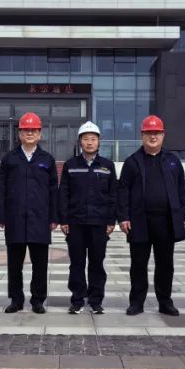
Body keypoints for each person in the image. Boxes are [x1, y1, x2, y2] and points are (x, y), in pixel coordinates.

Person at [117, 115, 185, 316]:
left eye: (157, 133)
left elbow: (181, 189)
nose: (153, 137)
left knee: (165, 264)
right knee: (138, 264)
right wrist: (123, 217)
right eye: (149, 133)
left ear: (163, 135)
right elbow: (123, 191)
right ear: (142, 135)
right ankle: (136, 302)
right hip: (139, 221)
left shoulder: (173, 161)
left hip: (166, 221)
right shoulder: (132, 162)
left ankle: (165, 302)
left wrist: (181, 215)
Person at [0, 112, 58, 314]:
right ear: (19, 134)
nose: (29, 133)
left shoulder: (47, 160)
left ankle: (38, 300)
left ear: (40, 134)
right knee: (14, 265)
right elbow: (1, 188)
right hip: (14, 219)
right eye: (25, 130)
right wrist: (1, 215)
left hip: (40, 220)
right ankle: (16, 300)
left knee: (40, 264)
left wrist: (54, 217)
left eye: (33, 130)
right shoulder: (9, 159)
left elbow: (53, 191)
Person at [58, 121, 117, 314]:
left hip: (99, 224)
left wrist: (111, 221)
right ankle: (77, 300)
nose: (89, 142)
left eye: (93, 139)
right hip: (75, 223)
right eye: (85, 139)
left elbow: (113, 195)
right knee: (77, 263)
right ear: (80, 142)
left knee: (97, 263)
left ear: (99, 142)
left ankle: (95, 300)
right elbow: (63, 194)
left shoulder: (107, 166)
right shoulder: (70, 165)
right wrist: (64, 219)